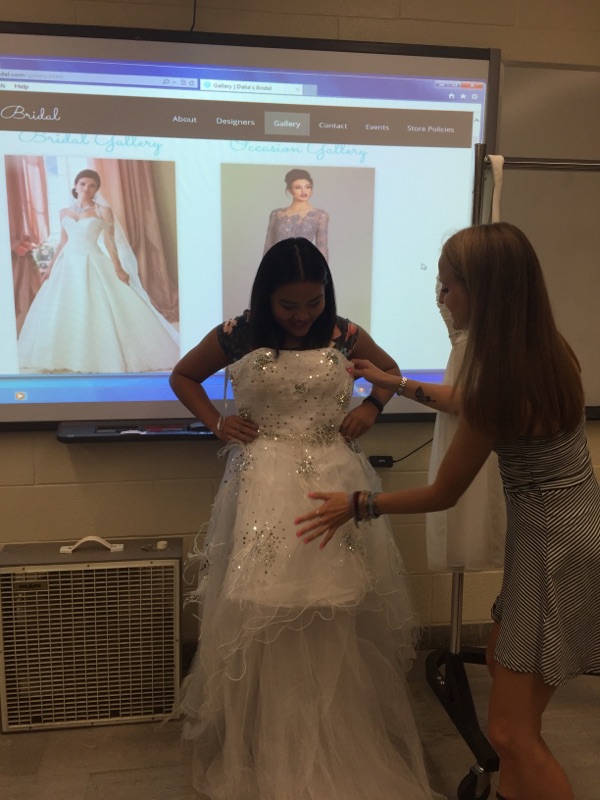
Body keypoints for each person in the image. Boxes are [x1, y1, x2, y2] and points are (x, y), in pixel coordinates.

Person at [296, 222, 600, 800]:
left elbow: (443, 493)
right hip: (574, 531)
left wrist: (360, 503)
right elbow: (473, 402)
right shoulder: (546, 350)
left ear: (481, 292)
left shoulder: (504, 381)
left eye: (447, 287)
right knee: (510, 687)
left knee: (510, 734)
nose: (442, 300)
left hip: (553, 550)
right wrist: (396, 382)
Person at [170, 237, 444, 800]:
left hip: (333, 476)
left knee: (334, 601)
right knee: (268, 603)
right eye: (288, 305)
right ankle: (273, 743)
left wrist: (372, 406)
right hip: (264, 479)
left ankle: (337, 735)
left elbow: (390, 371)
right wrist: (216, 423)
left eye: (313, 303)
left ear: (327, 295)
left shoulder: (343, 332)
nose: (301, 316)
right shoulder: (239, 332)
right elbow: (183, 376)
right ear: (265, 297)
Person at [17, 169, 179, 373]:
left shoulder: (103, 211)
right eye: (83, 184)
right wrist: (49, 268)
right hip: (67, 264)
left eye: (92, 185)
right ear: (75, 186)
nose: (87, 188)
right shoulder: (64, 212)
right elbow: (63, 243)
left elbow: (110, 242)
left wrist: (118, 268)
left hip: (93, 260)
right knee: (65, 308)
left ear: (96, 190)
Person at [263, 168, 329, 259]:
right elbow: (268, 247)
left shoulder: (320, 216)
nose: (304, 191)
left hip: (305, 263)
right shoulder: (276, 214)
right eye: (298, 187)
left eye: (307, 187)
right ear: (290, 190)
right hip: (279, 262)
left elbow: (322, 249)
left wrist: (322, 268)